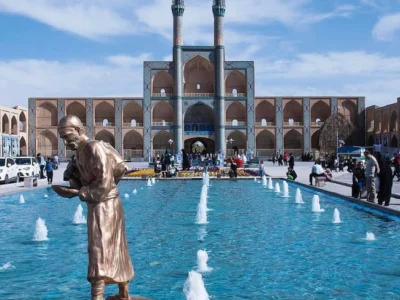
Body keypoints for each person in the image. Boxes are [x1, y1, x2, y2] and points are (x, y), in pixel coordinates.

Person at [52, 115, 134, 300]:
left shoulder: (93, 147)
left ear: (78, 130)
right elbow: (90, 181)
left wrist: (77, 192)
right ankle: (123, 292)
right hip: (100, 204)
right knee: (113, 246)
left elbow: (104, 181)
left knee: (99, 249)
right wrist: (72, 176)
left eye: (67, 136)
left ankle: (97, 296)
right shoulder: (80, 152)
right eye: (63, 138)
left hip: (105, 206)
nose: (66, 142)